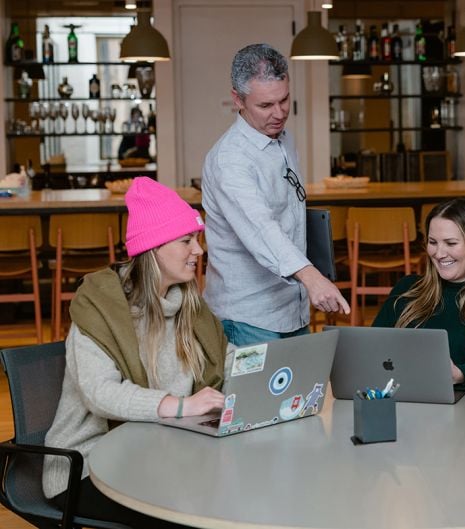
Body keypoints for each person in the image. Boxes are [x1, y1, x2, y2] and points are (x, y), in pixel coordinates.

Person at [43, 177, 228, 528]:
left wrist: (263, 373)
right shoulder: (100, 307)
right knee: (189, 512)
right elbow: (101, 394)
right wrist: (183, 406)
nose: (199, 251)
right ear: (155, 248)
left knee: (226, 490)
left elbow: (223, 356)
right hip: (86, 466)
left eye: (198, 240)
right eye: (187, 240)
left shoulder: (188, 304)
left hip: (160, 453)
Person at [202, 43, 349, 346]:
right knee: (254, 396)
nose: (279, 113)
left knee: (299, 395)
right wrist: (313, 278)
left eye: (284, 100)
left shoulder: (283, 139)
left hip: (291, 307)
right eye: (266, 106)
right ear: (237, 100)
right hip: (248, 317)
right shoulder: (230, 159)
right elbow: (261, 227)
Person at [372, 199, 465, 390]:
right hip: (403, 400)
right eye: (432, 242)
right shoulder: (406, 288)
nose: (439, 253)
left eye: (451, 243)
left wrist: (460, 375)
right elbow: (372, 346)